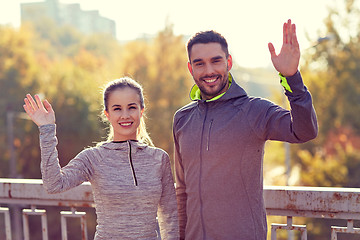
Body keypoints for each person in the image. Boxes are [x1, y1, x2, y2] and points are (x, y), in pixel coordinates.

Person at [172, 19, 318, 240]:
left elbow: (304, 131)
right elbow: (182, 192)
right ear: (190, 67)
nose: (209, 70)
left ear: (229, 62)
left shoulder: (254, 110)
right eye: (200, 63)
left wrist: (292, 78)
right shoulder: (182, 119)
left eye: (216, 61)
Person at [23, 77, 179, 239]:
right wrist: (47, 129)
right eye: (117, 109)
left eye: (131, 107)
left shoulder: (159, 158)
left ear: (141, 111)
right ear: (107, 114)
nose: (125, 115)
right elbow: (54, 184)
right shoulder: (93, 157)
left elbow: (169, 216)